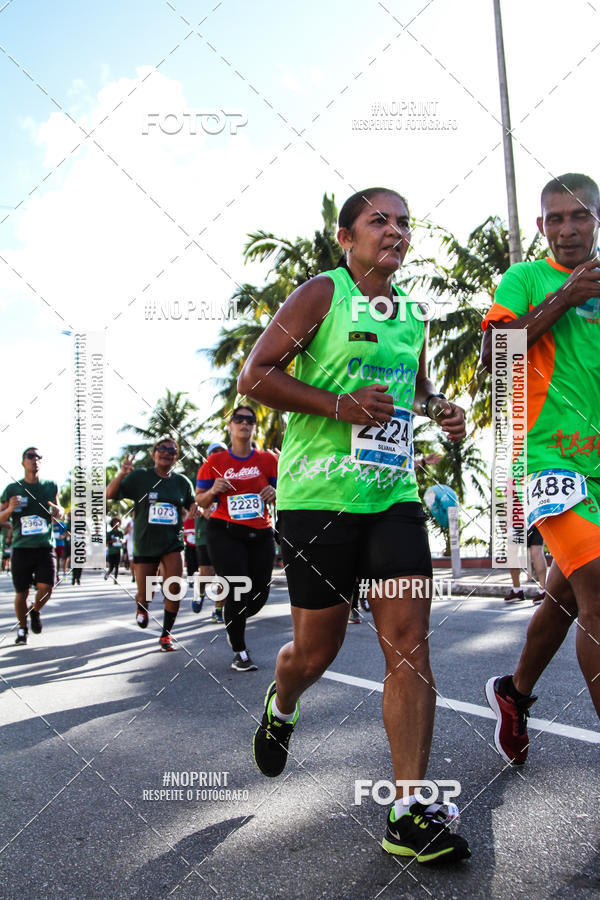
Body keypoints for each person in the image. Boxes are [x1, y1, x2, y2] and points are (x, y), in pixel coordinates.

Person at [238, 187, 470, 863]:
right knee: (316, 653)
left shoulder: (413, 314)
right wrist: (339, 404)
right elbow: (255, 376)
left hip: (393, 496)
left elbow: (414, 389)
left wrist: (440, 408)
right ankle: (283, 703)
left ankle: (409, 810)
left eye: (404, 222)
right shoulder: (323, 293)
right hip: (319, 499)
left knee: (410, 643)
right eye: (379, 221)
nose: (395, 231)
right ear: (347, 238)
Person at [481, 173, 600, 765]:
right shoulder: (526, 279)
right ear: (540, 225)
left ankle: (515, 692)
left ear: (596, 219)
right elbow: (493, 355)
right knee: (598, 582)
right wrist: (564, 299)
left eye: (578, 216)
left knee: (569, 594)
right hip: (546, 458)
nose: (567, 229)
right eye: (555, 219)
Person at [196, 410, 277, 671]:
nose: (244, 423)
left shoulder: (267, 460)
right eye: (239, 419)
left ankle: (232, 615)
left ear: (254, 427)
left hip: (261, 532)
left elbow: (286, 495)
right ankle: (240, 650)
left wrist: (276, 492)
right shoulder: (215, 461)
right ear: (229, 426)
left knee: (259, 594)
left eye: (250, 420)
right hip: (225, 531)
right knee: (237, 586)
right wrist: (213, 490)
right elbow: (200, 500)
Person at [106, 438, 194, 651]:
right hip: (145, 544)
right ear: (154, 454)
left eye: (172, 450)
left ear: (176, 457)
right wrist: (122, 473)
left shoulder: (182, 482)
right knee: (146, 593)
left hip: (172, 543)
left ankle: (166, 635)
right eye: (162, 449)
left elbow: (192, 502)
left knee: (174, 588)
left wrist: (195, 508)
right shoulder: (140, 477)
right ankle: (142, 606)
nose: (167, 453)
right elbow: (110, 494)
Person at [0, 448, 62, 644]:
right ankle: (22, 628)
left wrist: (58, 511)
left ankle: (35, 610)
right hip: (21, 548)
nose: (35, 459)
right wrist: (10, 509)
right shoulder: (12, 489)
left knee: (47, 587)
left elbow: (58, 509)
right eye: (30, 456)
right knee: (22, 593)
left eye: (38, 457)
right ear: (23, 462)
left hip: (44, 546)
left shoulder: (50, 486)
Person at [192, 441, 226, 618]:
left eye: (222, 451)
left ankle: (218, 610)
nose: (218, 454)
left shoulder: (233, 473)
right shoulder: (201, 474)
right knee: (207, 573)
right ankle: (200, 593)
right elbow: (194, 502)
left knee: (223, 574)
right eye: (214, 452)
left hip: (226, 533)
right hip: (204, 532)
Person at [504, 525, 547, 605]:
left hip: (517, 521)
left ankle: (517, 590)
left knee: (512, 553)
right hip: (534, 520)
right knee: (537, 552)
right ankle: (543, 591)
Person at [105, 516, 123, 582]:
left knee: (117, 566)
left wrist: (121, 541)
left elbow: (123, 540)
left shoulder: (120, 533)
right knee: (111, 566)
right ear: (112, 523)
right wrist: (112, 541)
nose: (116, 523)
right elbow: (106, 542)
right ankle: (107, 573)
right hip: (111, 552)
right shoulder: (110, 533)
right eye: (115, 522)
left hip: (118, 551)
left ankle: (116, 579)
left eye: (118, 522)